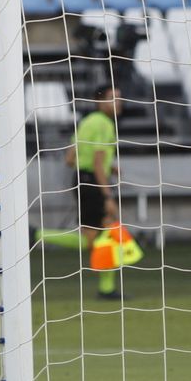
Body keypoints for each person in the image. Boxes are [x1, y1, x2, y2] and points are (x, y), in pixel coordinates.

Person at [66, 84, 123, 301]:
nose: (118, 102)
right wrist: (107, 195)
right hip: (94, 182)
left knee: (105, 232)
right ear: (99, 102)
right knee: (95, 238)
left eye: (119, 98)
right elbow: (98, 164)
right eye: (112, 98)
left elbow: (70, 158)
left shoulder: (86, 122)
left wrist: (106, 167)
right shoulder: (104, 124)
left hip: (83, 179)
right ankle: (37, 235)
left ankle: (107, 288)